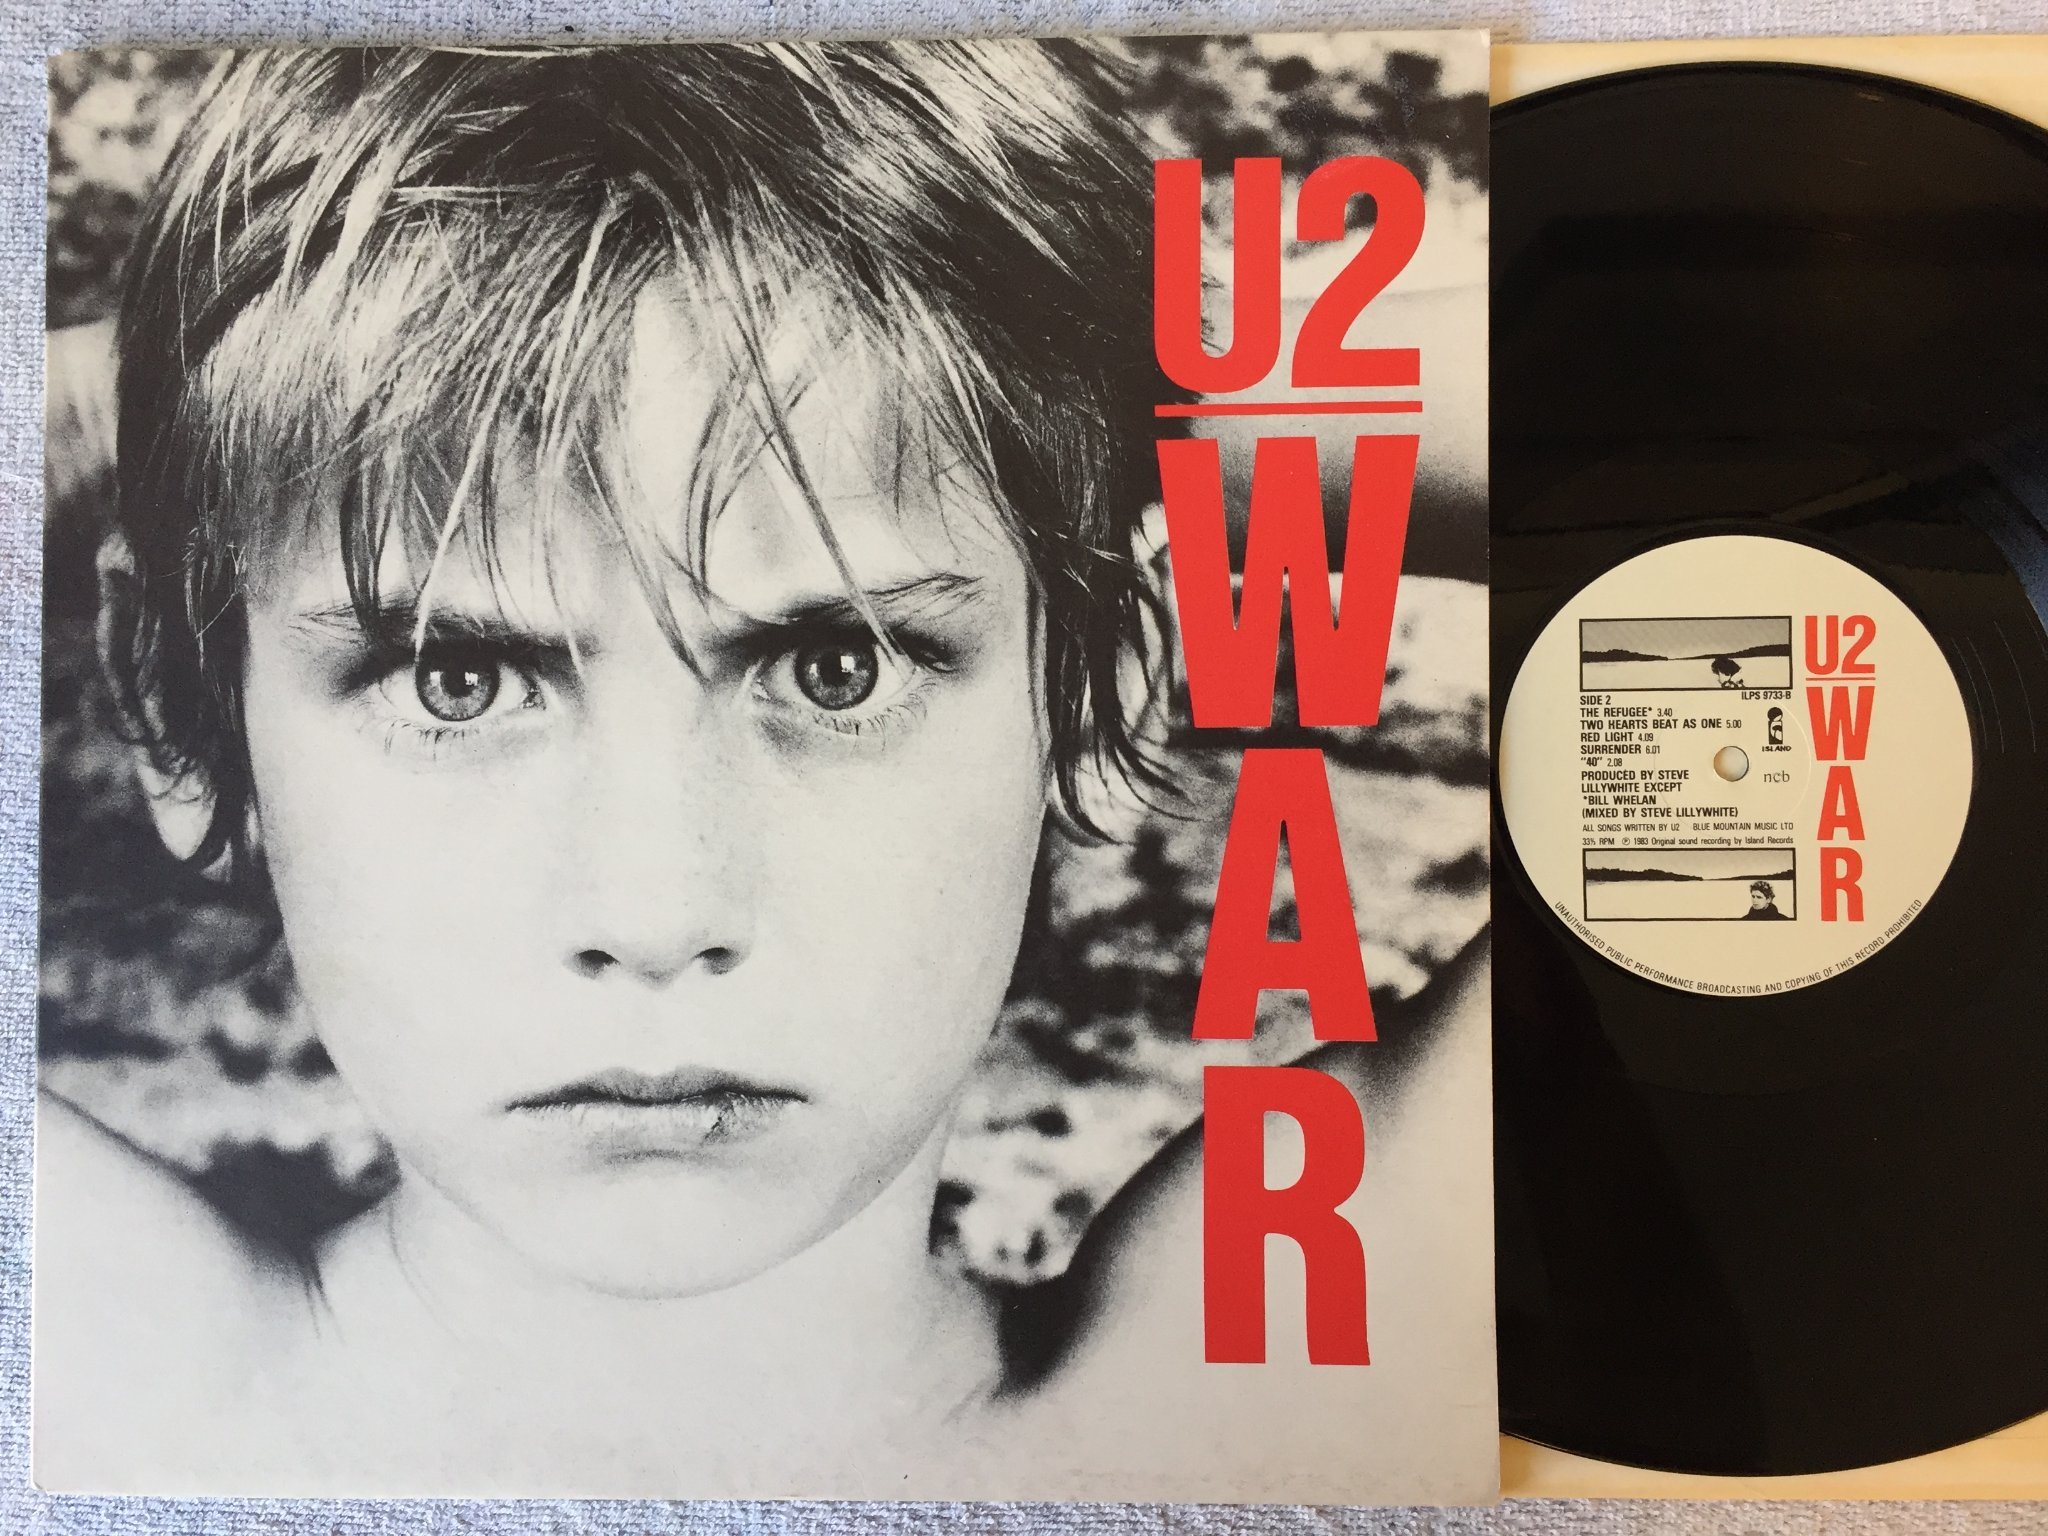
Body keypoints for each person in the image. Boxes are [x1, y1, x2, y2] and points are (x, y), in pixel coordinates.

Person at [37, 41, 1488, 1497]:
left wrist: (1072, 400)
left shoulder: (1268, 1422)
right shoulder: (85, 1389)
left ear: (1106, 683)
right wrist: (191, 404)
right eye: (456, 682)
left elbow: (1644, 452)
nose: (658, 914)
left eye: (835, 668)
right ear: (179, 707)